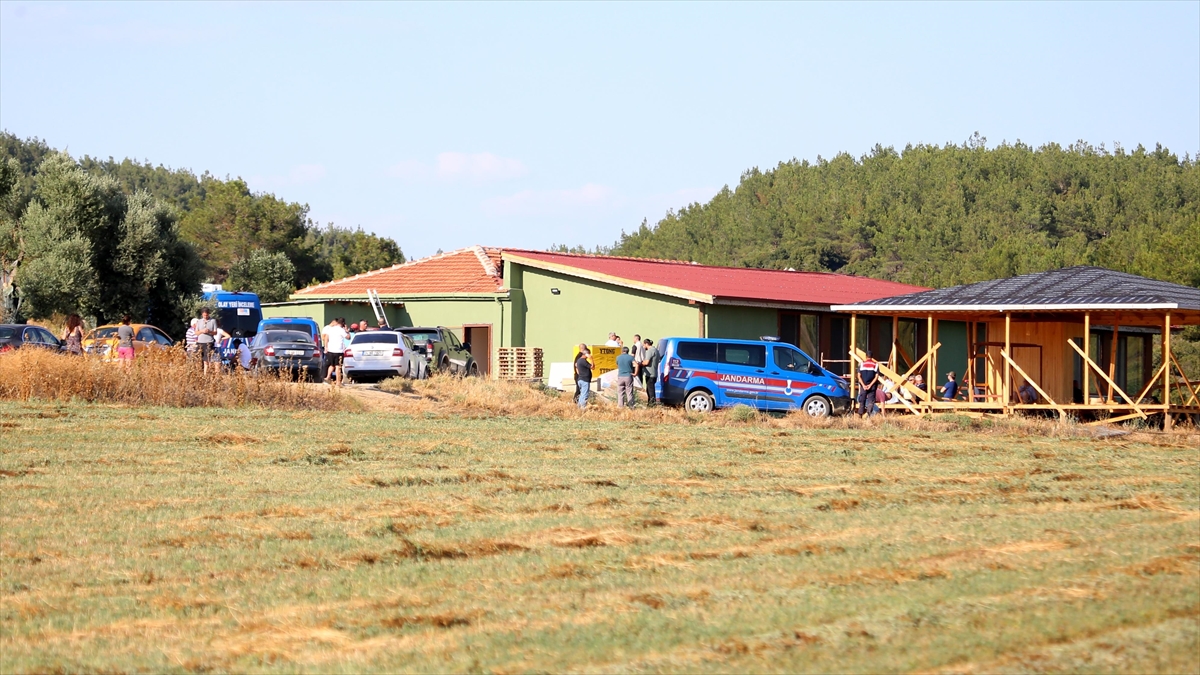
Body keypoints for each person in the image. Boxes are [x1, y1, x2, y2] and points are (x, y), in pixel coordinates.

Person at [322, 318, 348, 386]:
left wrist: (326, 347)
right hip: (338, 351)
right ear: (343, 323)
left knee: (331, 365)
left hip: (331, 350)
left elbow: (326, 338)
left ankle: (327, 377)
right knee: (338, 366)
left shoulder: (331, 329)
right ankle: (338, 382)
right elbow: (348, 337)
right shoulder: (341, 330)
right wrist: (346, 330)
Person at [194, 308, 218, 374]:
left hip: (209, 342)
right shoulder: (199, 321)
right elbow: (196, 332)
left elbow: (215, 332)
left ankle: (205, 375)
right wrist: (202, 331)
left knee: (206, 360)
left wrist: (209, 331)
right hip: (200, 342)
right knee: (197, 358)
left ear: (209, 314)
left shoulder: (213, 321)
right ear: (202, 314)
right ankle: (198, 373)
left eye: (206, 315)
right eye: (204, 315)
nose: (205, 317)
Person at [856, 351, 880, 416]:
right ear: (872, 357)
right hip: (872, 386)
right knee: (870, 401)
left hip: (863, 385)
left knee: (862, 400)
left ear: (866, 356)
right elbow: (876, 377)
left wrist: (863, 385)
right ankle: (868, 414)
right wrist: (870, 385)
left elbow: (858, 376)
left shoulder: (861, 364)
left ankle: (860, 415)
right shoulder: (876, 365)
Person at [640, 338, 661, 406]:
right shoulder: (656, 350)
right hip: (654, 373)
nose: (643, 346)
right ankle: (651, 404)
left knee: (650, 390)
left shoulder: (650, 351)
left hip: (650, 374)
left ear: (646, 344)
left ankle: (652, 404)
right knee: (650, 389)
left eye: (644, 345)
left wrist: (639, 363)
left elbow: (646, 362)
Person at [575, 344, 593, 409]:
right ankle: (582, 407)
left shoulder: (579, 360)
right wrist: (591, 359)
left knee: (582, 394)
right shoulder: (583, 361)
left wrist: (579, 374)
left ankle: (579, 407)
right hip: (585, 379)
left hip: (580, 378)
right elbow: (593, 367)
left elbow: (576, 366)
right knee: (585, 394)